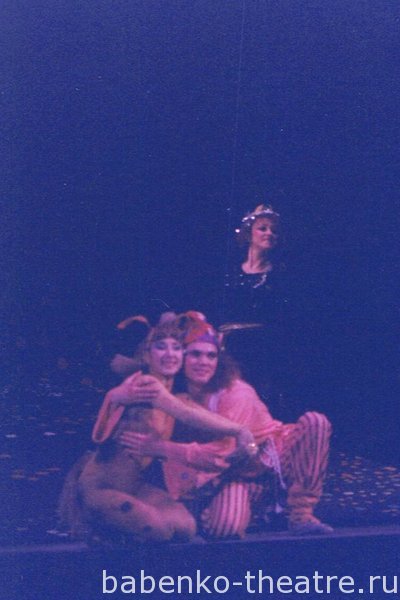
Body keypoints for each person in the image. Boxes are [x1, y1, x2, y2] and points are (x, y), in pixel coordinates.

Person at [121, 312, 333, 538]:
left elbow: (224, 454)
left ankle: (300, 514)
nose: (204, 362)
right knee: (224, 528)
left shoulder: (235, 393)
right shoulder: (178, 391)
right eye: (195, 355)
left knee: (315, 422)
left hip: (269, 463)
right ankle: (263, 507)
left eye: (211, 356)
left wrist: (160, 448)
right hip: (234, 474)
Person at [61, 313, 255, 543]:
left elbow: (195, 412)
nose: (170, 354)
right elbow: (187, 414)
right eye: (161, 347)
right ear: (147, 354)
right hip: (103, 487)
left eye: (176, 348)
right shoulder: (145, 384)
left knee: (185, 528)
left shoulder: (175, 395)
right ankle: (97, 523)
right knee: (158, 530)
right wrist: (240, 431)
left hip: (134, 487)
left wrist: (240, 430)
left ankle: (117, 531)